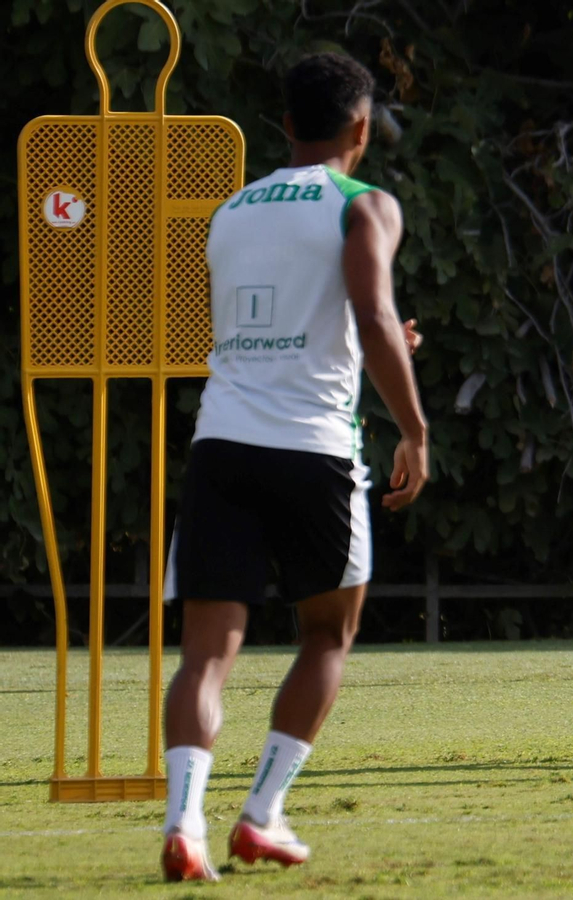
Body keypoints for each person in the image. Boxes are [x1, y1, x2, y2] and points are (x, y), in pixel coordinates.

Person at [159, 52, 429, 881]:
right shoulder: (366, 204)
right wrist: (414, 428)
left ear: (283, 126)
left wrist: (367, 344)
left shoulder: (231, 210)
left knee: (206, 653)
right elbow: (372, 313)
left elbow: (279, 323)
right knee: (327, 635)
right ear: (360, 127)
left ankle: (183, 825)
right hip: (314, 451)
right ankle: (262, 814)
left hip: (223, 445)